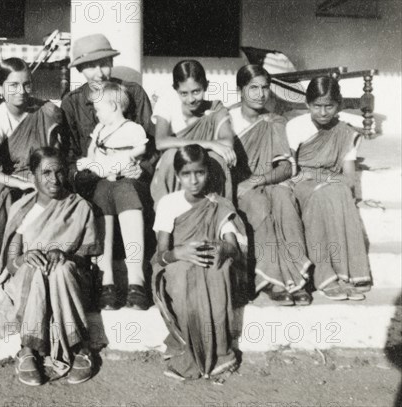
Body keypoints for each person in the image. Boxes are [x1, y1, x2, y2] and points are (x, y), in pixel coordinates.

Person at [0, 147, 102, 386]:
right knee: (36, 270)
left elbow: (87, 257)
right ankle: (28, 349)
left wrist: (65, 254)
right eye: (46, 172)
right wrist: (25, 258)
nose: (54, 179)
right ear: (33, 174)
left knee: (62, 269)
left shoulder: (80, 207)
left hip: (70, 281)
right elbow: (11, 263)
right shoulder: (22, 208)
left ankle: (79, 347)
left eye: (60, 172)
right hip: (29, 277)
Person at [61, 33, 156, 309]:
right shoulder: (72, 103)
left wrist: (139, 168)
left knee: (124, 187)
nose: (99, 72)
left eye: (104, 63)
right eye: (91, 66)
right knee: (103, 190)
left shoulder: (133, 93)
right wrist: (88, 171)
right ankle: (106, 280)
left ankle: (136, 280)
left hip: (130, 178)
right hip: (94, 181)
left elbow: (149, 145)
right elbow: (68, 156)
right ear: (80, 69)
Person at [153, 145, 247, 380]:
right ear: (177, 176)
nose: (193, 180)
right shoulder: (169, 203)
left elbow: (232, 248)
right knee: (183, 274)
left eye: (199, 173)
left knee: (217, 269)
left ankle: (220, 353)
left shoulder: (218, 204)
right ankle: (190, 352)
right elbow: (160, 255)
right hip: (178, 262)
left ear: (208, 173)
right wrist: (180, 252)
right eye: (186, 174)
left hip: (209, 261)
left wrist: (218, 247)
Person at [230, 65, 312, 306]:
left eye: (265, 87)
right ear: (241, 90)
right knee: (258, 204)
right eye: (253, 88)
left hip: (267, 180)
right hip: (238, 185)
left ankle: (296, 279)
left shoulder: (275, 121)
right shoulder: (227, 119)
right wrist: (245, 184)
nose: (260, 94)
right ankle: (271, 279)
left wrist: (258, 179)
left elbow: (286, 168)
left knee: (285, 201)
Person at [286, 76, 372, 300]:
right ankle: (326, 276)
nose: (323, 112)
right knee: (322, 194)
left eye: (329, 106)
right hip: (302, 182)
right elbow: (291, 169)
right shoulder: (296, 126)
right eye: (317, 106)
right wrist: (319, 179)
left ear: (339, 105)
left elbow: (349, 176)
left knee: (340, 191)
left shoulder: (344, 131)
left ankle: (348, 274)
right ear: (307, 104)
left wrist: (331, 181)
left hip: (331, 182)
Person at [0, 58, 64, 279]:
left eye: (27, 85)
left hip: (45, 176)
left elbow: (56, 156)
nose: (21, 91)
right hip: (13, 180)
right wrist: (20, 183)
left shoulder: (45, 111)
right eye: (13, 85)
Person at [76, 81, 149, 310]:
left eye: (99, 109)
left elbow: (141, 149)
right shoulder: (99, 130)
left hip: (124, 178)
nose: (96, 114)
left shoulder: (132, 128)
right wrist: (92, 162)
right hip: (103, 179)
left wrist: (125, 161)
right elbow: (91, 154)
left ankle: (136, 279)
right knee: (101, 197)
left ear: (115, 107)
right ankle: (106, 279)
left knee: (127, 194)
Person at [150, 60, 237, 205]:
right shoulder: (167, 103)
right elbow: (161, 142)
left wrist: (212, 148)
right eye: (184, 93)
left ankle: (216, 214)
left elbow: (227, 143)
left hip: (202, 171)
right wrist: (210, 144)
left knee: (216, 158)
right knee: (171, 154)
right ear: (175, 89)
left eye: (196, 92)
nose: (191, 99)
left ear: (206, 86)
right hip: (174, 170)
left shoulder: (214, 109)